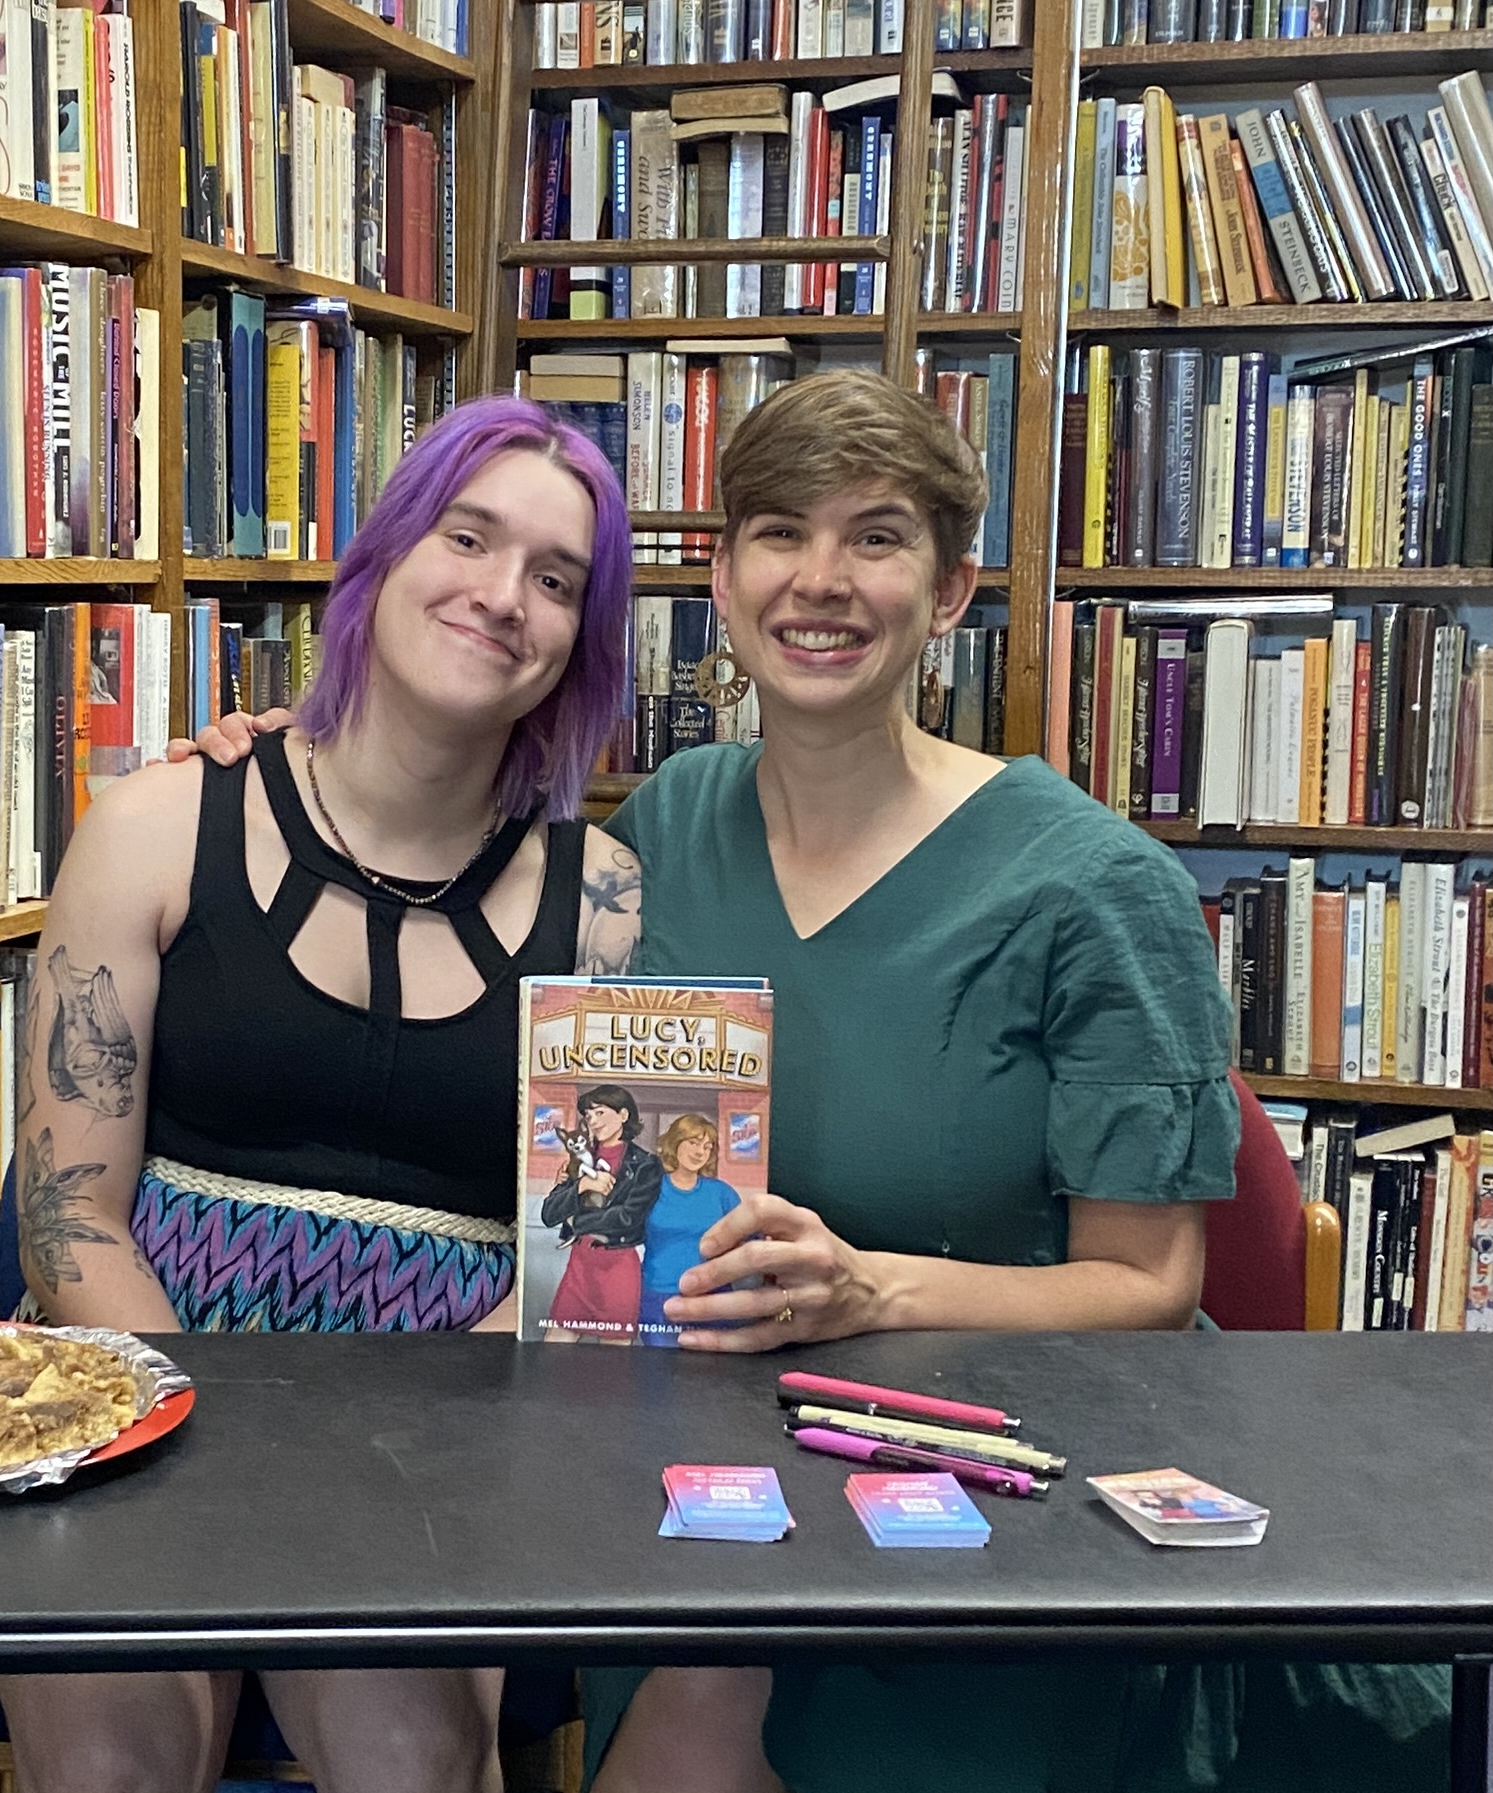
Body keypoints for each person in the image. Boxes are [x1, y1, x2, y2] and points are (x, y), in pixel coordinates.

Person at [186, 370, 1449, 1793]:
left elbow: (1150, 1286)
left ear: (954, 586)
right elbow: (437, 865)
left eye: (880, 537)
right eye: (780, 531)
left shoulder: (1098, 888)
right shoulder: (663, 822)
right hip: (701, 1465)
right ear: (719, 578)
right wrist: (266, 770)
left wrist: (871, 1290)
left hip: (986, 1488)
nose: (822, 581)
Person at [0, 394, 642, 1793]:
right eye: (468, 537)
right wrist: (217, 1432)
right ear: (386, 556)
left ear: (576, 649)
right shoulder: (157, 822)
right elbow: (65, 1217)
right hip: (148, 1372)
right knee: (112, 1756)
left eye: (555, 578)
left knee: (410, 1753)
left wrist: (392, 1440)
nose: (500, 595)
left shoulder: (606, 901)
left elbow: (589, 1251)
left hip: (446, 1411)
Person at [541, 1085, 661, 1340]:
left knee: (614, 1364)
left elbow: (627, 1218)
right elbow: (549, 1214)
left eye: (600, 1113)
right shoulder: (577, 1159)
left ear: (624, 1115)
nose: (593, 1121)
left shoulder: (645, 1164)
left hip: (618, 1267)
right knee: (553, 1352)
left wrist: (576, 1220)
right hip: (580, 1266)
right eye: (588, 1115)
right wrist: (583, 1185)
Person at [637, 1115, 742, 1346]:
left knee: (714, 1375)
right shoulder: (650, 1190)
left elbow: (751, 1235)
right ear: (675, 1144)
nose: (700, 1152)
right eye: (693, 1143)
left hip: (714, 1297)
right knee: (660, 1373)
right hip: (660, 1296)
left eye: (707, 1146)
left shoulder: (721, 1193)